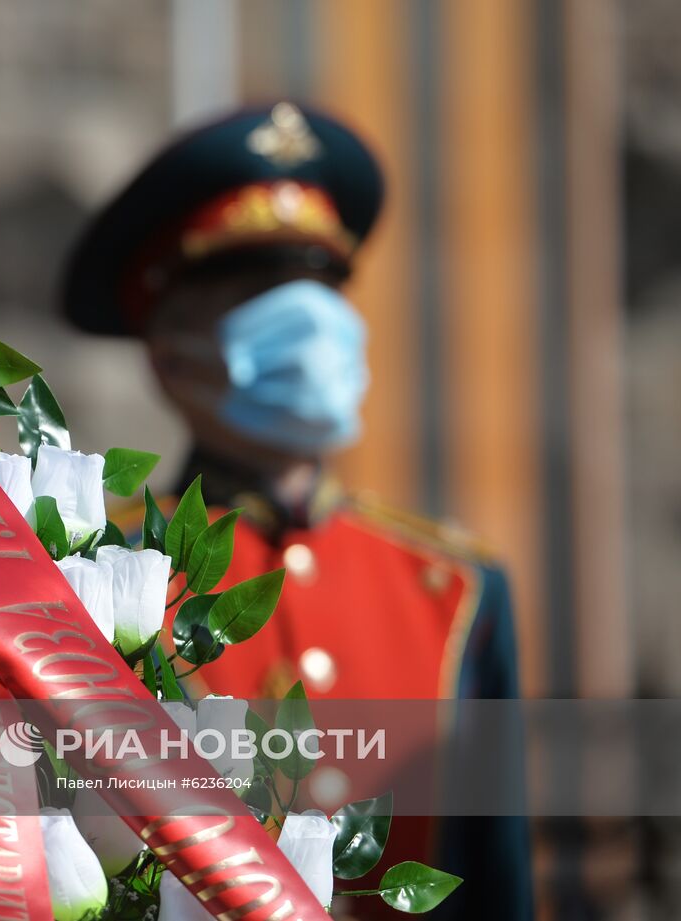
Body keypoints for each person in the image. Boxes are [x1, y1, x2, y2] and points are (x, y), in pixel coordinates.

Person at [60, 102, 532, 920]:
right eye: (259, 288)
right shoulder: (95, 570)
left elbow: (497, 885)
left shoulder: (456, 587)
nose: (312, 324)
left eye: (321, 283)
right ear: (170, 354)